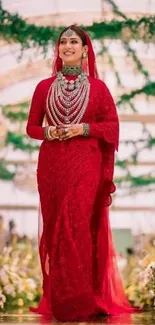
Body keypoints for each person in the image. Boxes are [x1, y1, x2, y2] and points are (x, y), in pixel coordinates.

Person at [26, 25, 137, 321]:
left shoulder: (99, 89)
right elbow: (32, 128)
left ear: (86, 49)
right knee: (55, 229)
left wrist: (83, 128)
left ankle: (81, 300)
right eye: (63, 42)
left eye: (74, 41)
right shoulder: (43, 87)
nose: (67, 46)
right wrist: (51, 131)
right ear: (58, 49)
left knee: (75, 224)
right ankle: (62, 299)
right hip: (51, 165)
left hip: (85, 163)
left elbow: (112, 126)